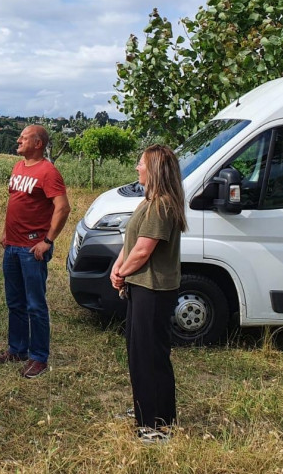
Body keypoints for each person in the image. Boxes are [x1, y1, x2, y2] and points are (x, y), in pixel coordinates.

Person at [110, 144, 187, 443]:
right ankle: (147, 410)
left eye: (140, 163)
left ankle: (155, 424)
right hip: (142, 286)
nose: (136, 168)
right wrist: (119, 267)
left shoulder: (161, 205)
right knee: (140, 351)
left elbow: (143, 251)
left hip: (153, 289)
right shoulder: (149, 201)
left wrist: (122, 272)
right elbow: (132, 245)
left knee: (150, 355)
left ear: (154, 169)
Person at [0, 125, 70, 378]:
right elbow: (15, 203)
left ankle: (39, 358)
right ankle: (17, 349)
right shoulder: (18, 167)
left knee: (35, 305)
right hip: (12, 246)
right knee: (15, 302)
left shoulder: (48, 172)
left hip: (31, 249)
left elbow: (63, 207)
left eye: (24, 138)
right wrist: (6, 232)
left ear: (38, 143)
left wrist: (47, 240)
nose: (18, 140)